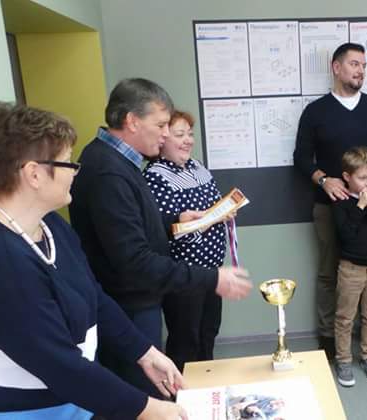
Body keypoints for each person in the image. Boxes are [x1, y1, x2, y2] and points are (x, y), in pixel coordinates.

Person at [0, 101, 187, 419]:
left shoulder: (49, 225)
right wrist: (148, 409)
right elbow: (60, 366)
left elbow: (93, 296)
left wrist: (143, 351)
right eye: (67, 162)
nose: (75, 170)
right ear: (34, 174)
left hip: (64, 401)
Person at [70, 78, 252, 395]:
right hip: (127, 305)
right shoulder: (108, 171)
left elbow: (128, 226)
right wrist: (212, 278)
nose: (166, 134)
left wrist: (173, 222)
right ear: (132, 121)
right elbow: (134, 259)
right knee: (141, 393)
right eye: (161, 125)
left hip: (136, 300)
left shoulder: (119, 162)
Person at [293, 42, 367, 360]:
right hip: (330, 205)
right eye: (354, 64)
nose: (360, 71)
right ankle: (329, 335)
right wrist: (323, 180)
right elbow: (301, 157)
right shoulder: (316, 111)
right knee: (330, 272)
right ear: (336, 67)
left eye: (364, 66)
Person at [142, 110, 228, 371]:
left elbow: (214, 203)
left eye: (190, 134)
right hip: (183, 274)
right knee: (185, 338)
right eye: (180, 134)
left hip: (211, 271)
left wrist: (224, 210)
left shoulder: (197, 166)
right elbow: (163, 227)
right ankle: (182, 388)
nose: (188, 140)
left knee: (208, 331)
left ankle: (207, 381)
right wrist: (205, 219)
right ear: (163, 139)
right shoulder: (155, 175)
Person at [331, 147, 367, 387]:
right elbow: (346, 235)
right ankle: (343, 360)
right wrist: (360, 206)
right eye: (362, 177)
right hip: (351, 269)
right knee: (345, 317)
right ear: (347, 176)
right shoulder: (340, 201)